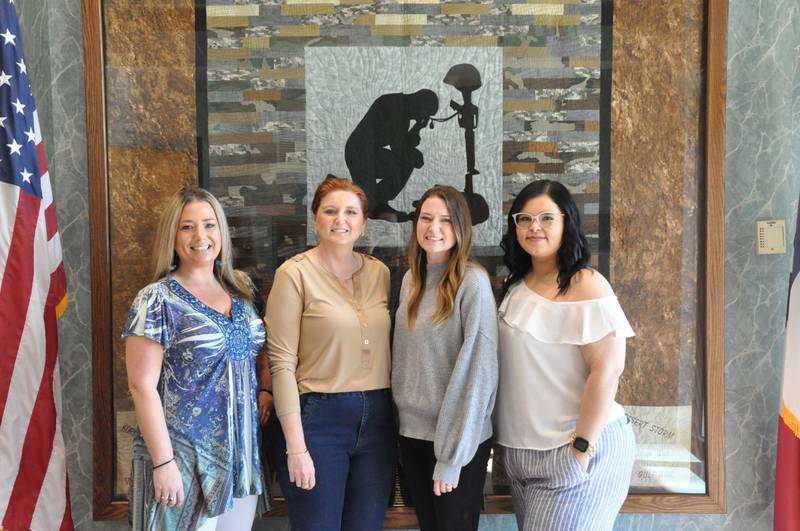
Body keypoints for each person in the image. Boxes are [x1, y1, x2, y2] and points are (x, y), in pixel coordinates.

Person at [123, 186, 271, 531]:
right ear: (172, 236)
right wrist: (163, 464)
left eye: (209, 225)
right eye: (187, 226)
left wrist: (267, 391)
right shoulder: (156, 300)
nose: (200, 236)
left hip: (240, 461)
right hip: (182, 461)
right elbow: (140, 385)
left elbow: (260, 354)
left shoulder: (243, 291)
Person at [494, 179, 636, 531]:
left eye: (546, 218)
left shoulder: (587, 284)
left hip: (575, 450)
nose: (534, 227)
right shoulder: (516, 285)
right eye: (524, 219)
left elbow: (607, 371)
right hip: (523, 457)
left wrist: (581, 451)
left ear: (566, 222)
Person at [265, 175, 396, 531]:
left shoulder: (380, 274)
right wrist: (296, 446)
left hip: (379, 421)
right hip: (318, 420)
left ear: (364, 223)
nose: (341, 220)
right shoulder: (293, 275)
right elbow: (281, 365)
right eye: (331, 211)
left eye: (351, 212)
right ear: (315, 220)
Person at [392, 185, 498, 531]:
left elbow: (477, 374)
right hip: (413, 437)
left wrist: (452, 458)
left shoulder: (473, 283)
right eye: (426, 218)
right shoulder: (411, 279)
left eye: (446, 221)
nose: (433, 228)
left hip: (455, 441)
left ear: (461, 228)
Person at [345, 89, 440, 222]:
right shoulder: (392, 105)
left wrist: (418, 126)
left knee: (407, 162)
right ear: (419, 103)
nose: (423, 115)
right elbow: (399, 149)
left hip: (370, 153)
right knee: (367, 204)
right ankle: (375, 202)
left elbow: (404, 144)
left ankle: (378, 201)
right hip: (360, 153)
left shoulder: (402, 112)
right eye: (425, 112)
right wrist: (414, 154)